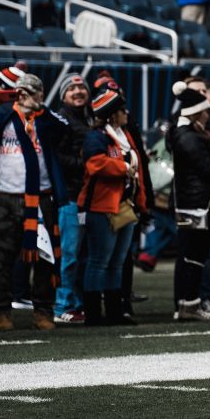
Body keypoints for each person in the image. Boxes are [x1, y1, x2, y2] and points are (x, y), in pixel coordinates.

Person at [0, 73, 70, 332]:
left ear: (40, 94)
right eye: (20, 92)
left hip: (42, 198)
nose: (24, 97)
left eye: (30, 92)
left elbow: (64, 128)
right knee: (1, 256)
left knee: (45, 259)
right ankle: (1, 311)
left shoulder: (46, 119)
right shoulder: (2, 114)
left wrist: (40, 110)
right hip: (6, 198)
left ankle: (43, 311)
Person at [78, 89, 148, 326]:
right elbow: (94, 164)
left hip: (124, 203)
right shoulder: (96, 137)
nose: (126, 113)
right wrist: (123, 167)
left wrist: (141, 202)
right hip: (101, 205)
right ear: (110, 115)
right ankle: (94, 313)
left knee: (117, 261)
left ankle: (115, 312)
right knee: (99, 260)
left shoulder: (124, 135)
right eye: (121, 110)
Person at [167, 81, 210, 321]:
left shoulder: (189, 134)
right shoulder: (187, 137)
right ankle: (188, 304)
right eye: (205, 111)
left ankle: (188, 303)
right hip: (195, 204)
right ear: (197, 112)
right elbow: (207, 170)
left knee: (193, 255)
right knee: (192, 256)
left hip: (195, 203)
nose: (209, 115)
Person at [52, 75, 91, 324]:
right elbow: (58, 157)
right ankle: (61, 306)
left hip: (84, 196)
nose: (78, 92)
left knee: (81, 255)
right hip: (69, 195)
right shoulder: (62, 120)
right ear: (63, 95)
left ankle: (76, 304)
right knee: (68, 254)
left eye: (81, 87)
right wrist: (88, 166)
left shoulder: (86, 118)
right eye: (72, 88)